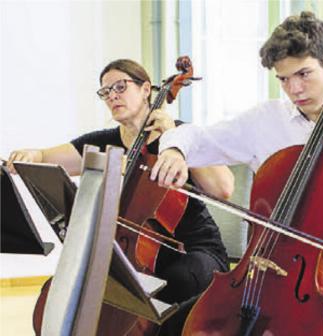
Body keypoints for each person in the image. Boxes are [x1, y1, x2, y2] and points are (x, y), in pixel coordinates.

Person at [152, 11, 323, 335]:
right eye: (284, 79)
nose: (294, 89)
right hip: (262, 265)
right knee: (171, 327)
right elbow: (198, 137)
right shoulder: (265, 120)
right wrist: (174, 149)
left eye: (303, 74)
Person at [7, 59, 233, 335]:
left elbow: (223, 188)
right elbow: (44, 158)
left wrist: (174, 135)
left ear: (146, 89)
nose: (112, 95)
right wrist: (31, 155)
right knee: (73, 288)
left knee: (178, 280)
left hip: (193, 249)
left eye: (120, 87)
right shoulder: (104, 141)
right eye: (105, 92)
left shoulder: (182, 134)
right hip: (131, 253)